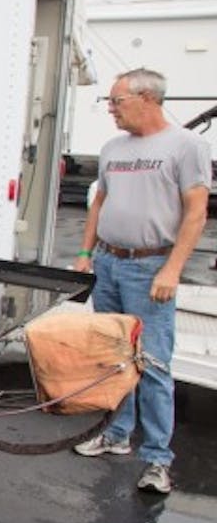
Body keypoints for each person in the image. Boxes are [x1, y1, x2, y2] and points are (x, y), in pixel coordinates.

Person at [72, 68, 212, 494]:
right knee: (115, 358)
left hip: (149, 268)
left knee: (151, 364)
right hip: (109, 263)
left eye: (116, 101)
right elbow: (100, 201)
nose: (111, 109)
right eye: (110, 102)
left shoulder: (187, 147)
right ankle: (116, 435)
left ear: (148, 98)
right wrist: (84, 253)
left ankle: (156, 460)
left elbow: (195, 212)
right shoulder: (113, 147)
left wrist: (171, 269)